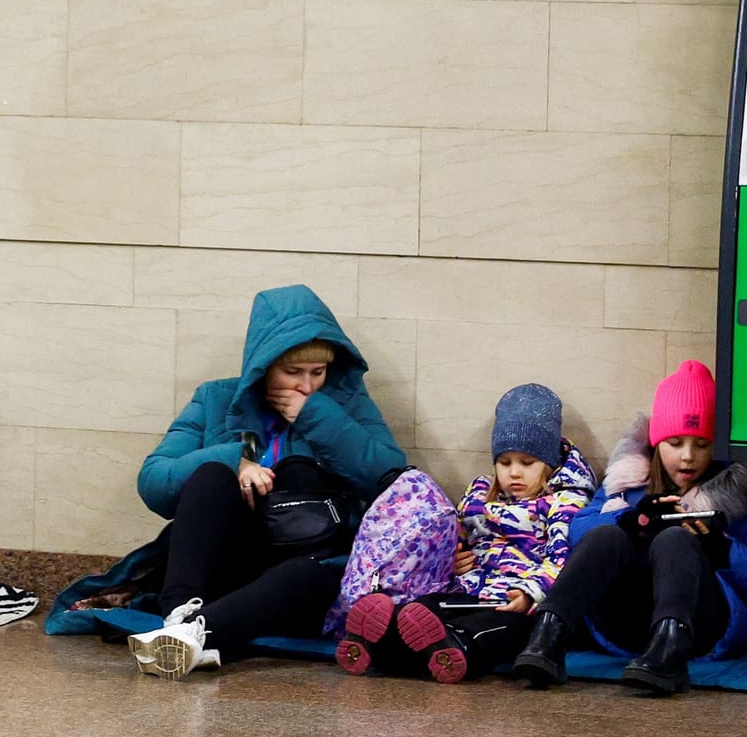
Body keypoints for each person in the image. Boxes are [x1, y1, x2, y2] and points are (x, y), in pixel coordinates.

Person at [123, 285, 408, 679]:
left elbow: (392, 480)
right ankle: (181, 616)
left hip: (307, 567)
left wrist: (317, 416)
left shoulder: (346, 403)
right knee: (209, 476)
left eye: (317, 373)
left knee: (306, 575)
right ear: (264, 366)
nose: (306, 385)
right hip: (236, 558)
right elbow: (154, 481)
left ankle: (193, 635)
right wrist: (234, 460)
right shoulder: (216, 399)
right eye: (292, 372)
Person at [512, 360, 747, 694]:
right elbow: (579, 529)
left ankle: (668, 652)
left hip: (699, 627)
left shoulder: (736, 497)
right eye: (675, 443)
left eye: (702, 445)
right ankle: (548, 634)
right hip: (626, 623)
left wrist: (721, 548)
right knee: (605, 534)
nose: (688, 457)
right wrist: (633, 522)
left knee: (674, 539)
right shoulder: (626, 483)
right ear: (656, 443)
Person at [336, 383, 593, 683]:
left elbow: (561, 558)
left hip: (515, 599)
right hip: (468, 588)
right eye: (504, 462)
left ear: (548, 464)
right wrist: (454, 558)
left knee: (502, 627)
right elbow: (456, 534)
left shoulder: (564, 500)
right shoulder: (480, 493)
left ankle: (453, 649)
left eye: (527, 463)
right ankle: (379, 638)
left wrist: (530, 593)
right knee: (423, 610)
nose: (514, 473)